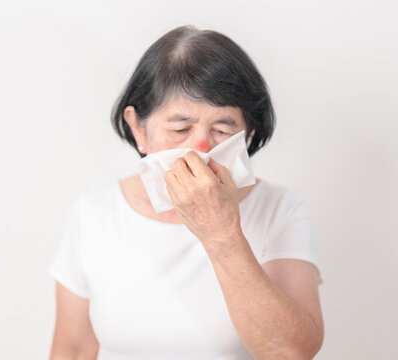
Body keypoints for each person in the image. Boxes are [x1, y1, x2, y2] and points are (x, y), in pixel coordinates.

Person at [49, 25, 323, 360]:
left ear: (247, 136)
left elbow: (292, 353)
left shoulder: (279, 208)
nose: (202, 148)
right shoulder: (94, 212)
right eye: (181, 128)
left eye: (223, 129)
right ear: (139, 128)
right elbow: (73, 349)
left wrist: (221, 232)